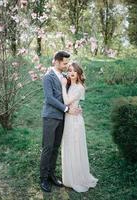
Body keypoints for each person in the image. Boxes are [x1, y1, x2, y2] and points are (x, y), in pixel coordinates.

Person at [40, 51, 81, 192]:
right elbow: (49, 98)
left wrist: (76, 106)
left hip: (62, 118)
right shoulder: (48, 77)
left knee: (56, 147)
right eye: (64, 63)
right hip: (50, 117)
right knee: (47, 148)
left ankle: (51, 175)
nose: (66, 66)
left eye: (67, 63)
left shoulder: (64, 77)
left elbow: (71, 93)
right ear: (56, 61)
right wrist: (66, 109)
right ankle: (43, 178)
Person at [60, 62, 98, 193]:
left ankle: (77, 177)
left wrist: (63, 86)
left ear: (78, 73)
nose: (71, 73)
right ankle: (69, 177)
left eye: (74, 71)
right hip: (69, 118)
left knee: (75, 147)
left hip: (75, 121)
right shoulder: (72, 85)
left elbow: (66, 101)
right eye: (69, 70)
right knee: (69, 146)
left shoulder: (79, 87)